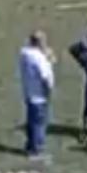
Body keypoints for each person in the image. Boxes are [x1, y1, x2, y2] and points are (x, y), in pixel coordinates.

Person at [17, 30, 55, 159]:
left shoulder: (25, 53)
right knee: (39, 123)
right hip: (39, 94)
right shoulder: (38, 57)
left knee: (32, 122)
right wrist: (48, 91)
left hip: (29, 92)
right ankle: (36, 150)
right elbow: (45, 76)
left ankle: (30, 146)